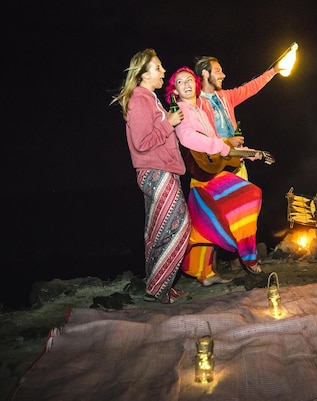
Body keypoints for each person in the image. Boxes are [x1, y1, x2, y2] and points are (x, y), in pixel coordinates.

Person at [166, 66, 264, 283]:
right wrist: (221, 146)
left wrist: (247, 153)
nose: (187, 84)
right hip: (204, 179)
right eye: (180, 82)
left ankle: (205, 274)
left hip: (208, 173)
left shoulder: (201, 110)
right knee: (249, 194)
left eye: (190, 80)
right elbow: (188, 138)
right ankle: (248, 255)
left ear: (197, 84)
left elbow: (221, 145)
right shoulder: (180, 110)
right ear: (175, 92)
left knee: (206, 225)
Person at [110, 48, 190, 304]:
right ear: (144, 74)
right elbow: (143, 142)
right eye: (158, 67)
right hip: (156, 172)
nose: (163, 71)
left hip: (164, 170)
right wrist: (169, 122)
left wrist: (171, 120)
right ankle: (158, 285)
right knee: (178, 226)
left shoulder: (150, 98)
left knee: (158, 230)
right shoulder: (139, 99)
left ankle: (160, 287)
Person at [193, 55, 283, 270]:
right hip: (212, 168)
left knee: (246, 212)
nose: (223, 74)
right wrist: (226, 142)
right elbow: (198, 139)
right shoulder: (195, 104)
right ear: (205, 74)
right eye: (218, 70)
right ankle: (209, 270)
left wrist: (273, 71)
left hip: (236, 164)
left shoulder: (226, 97)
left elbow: (251, 87)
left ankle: (245, 259)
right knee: (213, 217)